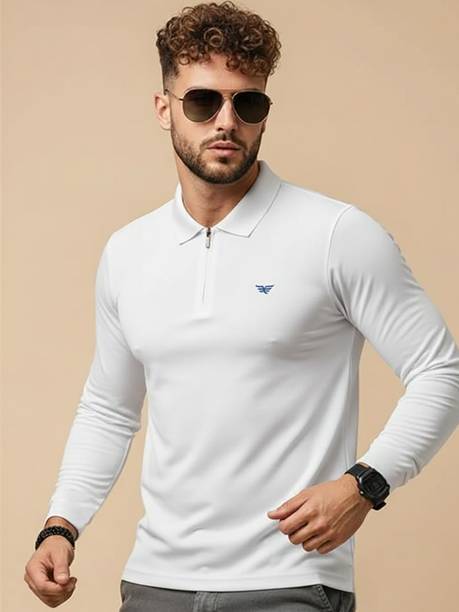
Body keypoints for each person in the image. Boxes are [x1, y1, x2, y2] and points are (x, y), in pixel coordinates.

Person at [24, 1, 459, 610]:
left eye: (247, 103)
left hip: (291, 583)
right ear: (164, 108)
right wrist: (61, 525)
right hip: (155, 584)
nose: (226, 121)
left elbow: (440, 371)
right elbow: (110, 408)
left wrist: (366, 484)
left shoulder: (337, 235)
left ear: (264, 113)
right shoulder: (128, 252)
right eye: (203, 101)